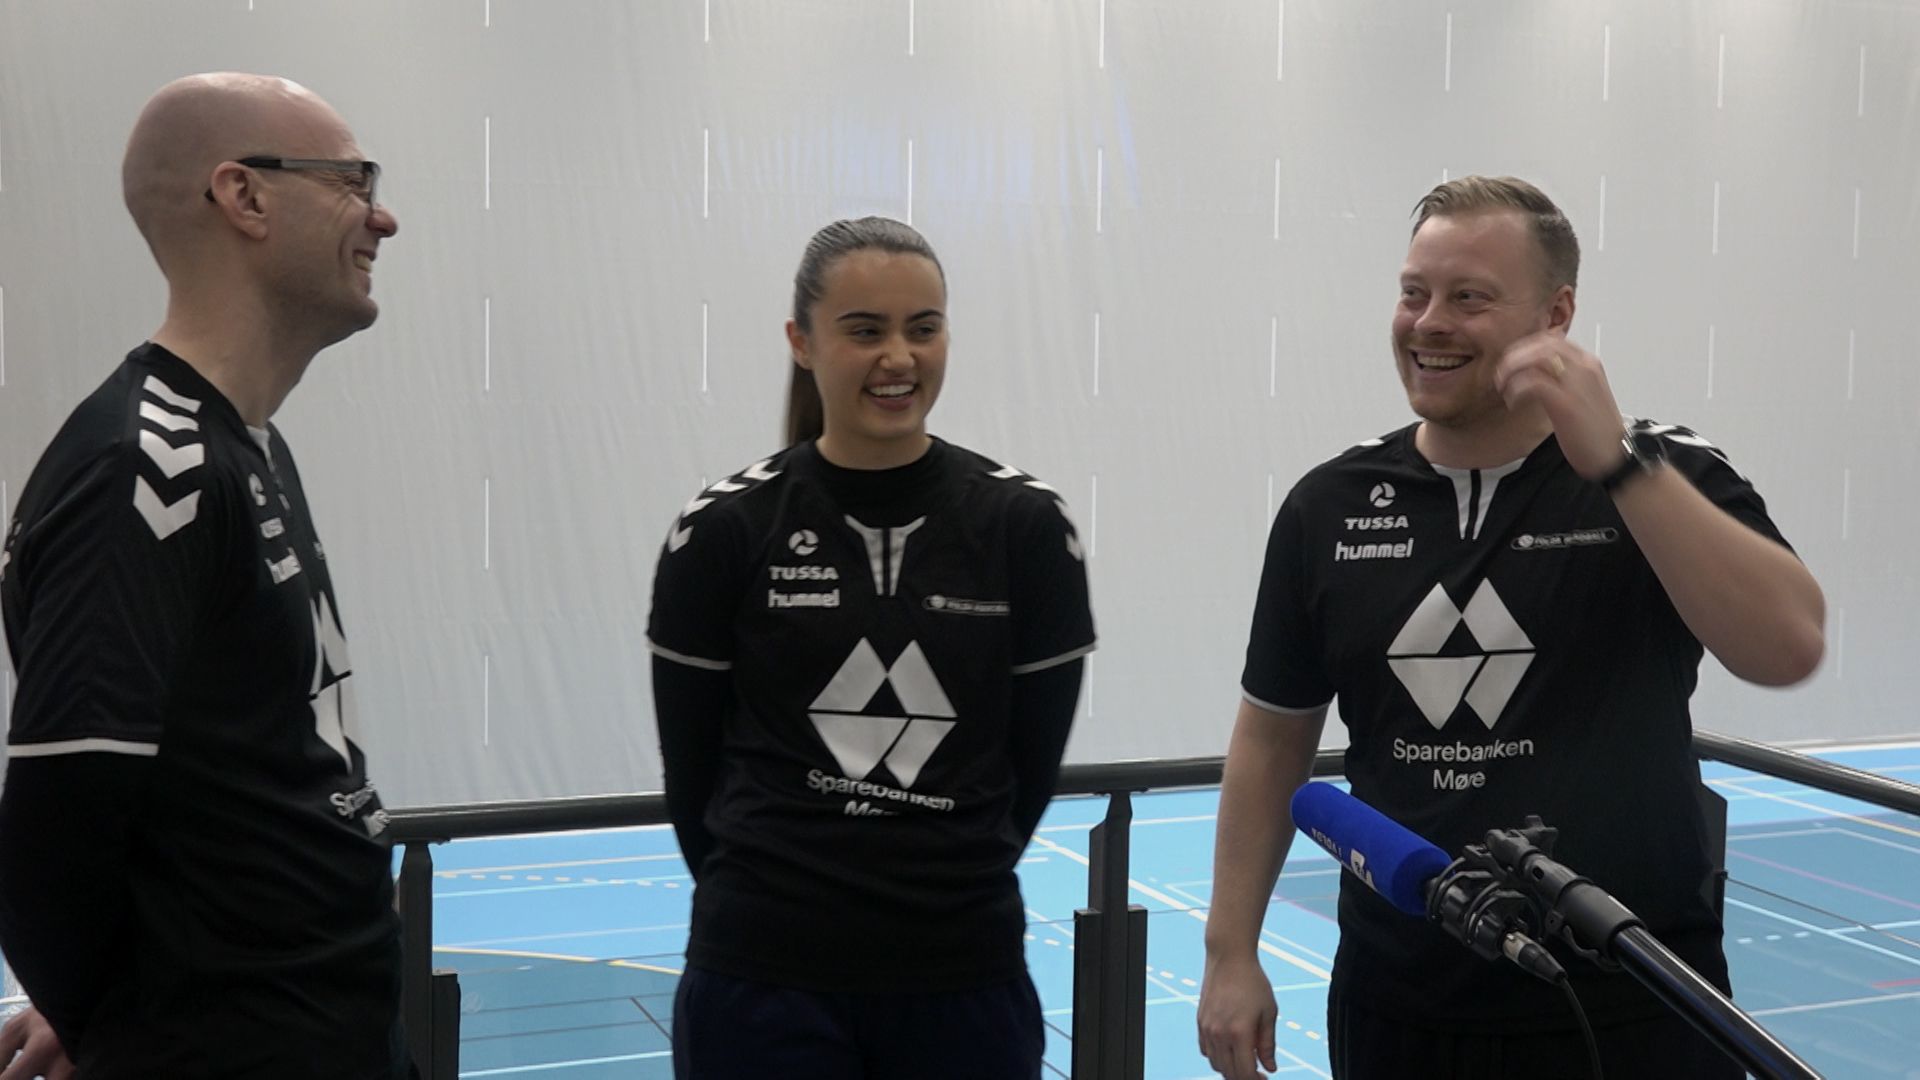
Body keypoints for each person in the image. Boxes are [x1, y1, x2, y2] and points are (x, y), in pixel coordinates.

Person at [1197, 176, 1824, 1079]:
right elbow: (1271, 736)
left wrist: (1617, 464)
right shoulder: (1325, 506)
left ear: (1555, 314)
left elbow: (1788, 646)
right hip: (1399, 1003)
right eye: (1414, 293)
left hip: (1634, 998)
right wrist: (1230, 950)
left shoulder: (1664, 474)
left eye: (1469, 298)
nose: (1428, 323)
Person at [0, 73, 405, 1078]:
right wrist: (115, 1023)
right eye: (353, 182)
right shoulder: (146, 467)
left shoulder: (243, 445)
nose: (383, 217)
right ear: (244, 196)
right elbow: (57, 824)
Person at [646, 216, 1095, 1077]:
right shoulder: (723, 529)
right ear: (801, 343)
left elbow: (1030, 766)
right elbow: (692, 774)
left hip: (962, 976)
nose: (899, 358)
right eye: (865, 331)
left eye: (923, 328)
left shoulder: (1026, 526)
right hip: (760, 984)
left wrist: (940, 890)